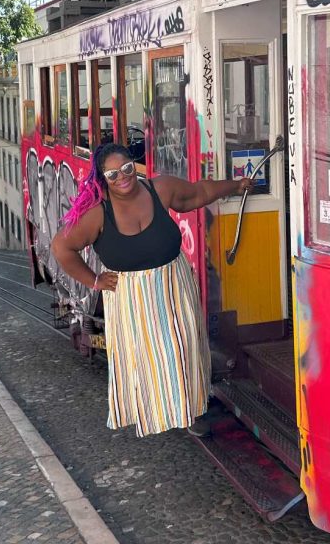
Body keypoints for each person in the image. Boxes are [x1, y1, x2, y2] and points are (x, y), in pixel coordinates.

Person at [52, 142, 253, 438]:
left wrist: (236, 185)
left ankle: (188, 410)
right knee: (146, 359)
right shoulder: (97, 214)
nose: (122, 177)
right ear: (102, 178)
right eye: (112, 174)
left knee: (183, 350)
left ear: (134, 165)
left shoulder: (160, 189)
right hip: (133, 298)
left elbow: (200, 192)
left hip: (174, 285)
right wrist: (94, 280)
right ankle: (150, 411)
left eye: (127, 168)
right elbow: (62, 247)